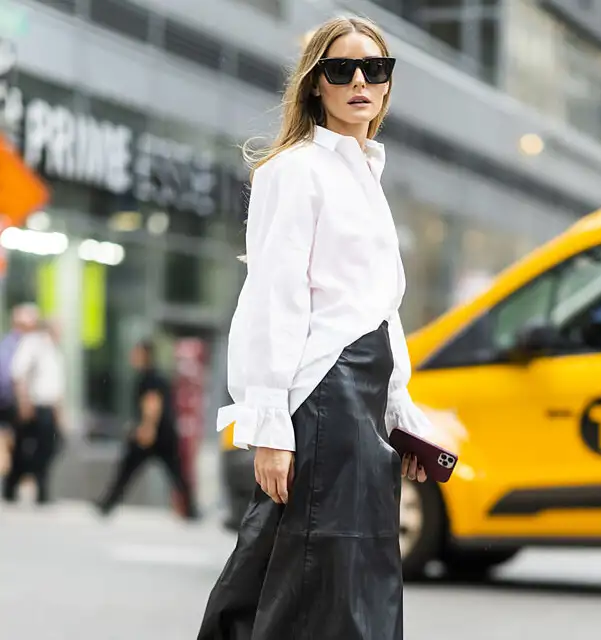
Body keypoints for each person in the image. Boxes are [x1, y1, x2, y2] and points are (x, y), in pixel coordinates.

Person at [196, 16, 434, 640]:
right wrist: (270, 422)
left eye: (374, 69)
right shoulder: (293, 170)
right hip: (325, 391)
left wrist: (400, 406)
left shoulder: (364, 171)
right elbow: (273, 297)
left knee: (344, 561)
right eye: (340, 69)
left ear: (387, 85)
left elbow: (378, 306)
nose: (359, 80)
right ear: (315, 85)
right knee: (321, 564)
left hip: (364, 389)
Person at [96, 340, 199, 520]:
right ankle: (191, 510)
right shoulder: (154, 376)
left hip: (158, 433)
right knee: (174, 473)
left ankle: (108, 503)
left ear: (144, 355)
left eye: (136, 353)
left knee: (131, 468)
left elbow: (152, 404)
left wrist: (147, 428)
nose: (132, 357)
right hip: (164, 433)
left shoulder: (149, 377)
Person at [4, 317, 65, 504]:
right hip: (33, 406)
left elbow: (56, 386)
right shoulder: (32, 344)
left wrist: (60, 411)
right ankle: (15, 485)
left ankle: (32, 480)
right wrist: (24, 402)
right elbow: (19, 374)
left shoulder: (55, 351)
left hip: (48, 407)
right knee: (24, 447)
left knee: (52, 445)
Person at [0, 304, 40, 480]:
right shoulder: (10, 346)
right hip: (11, 404)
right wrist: (22, 402)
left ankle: (17, 481)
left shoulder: (34, 344)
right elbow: (8, 379)